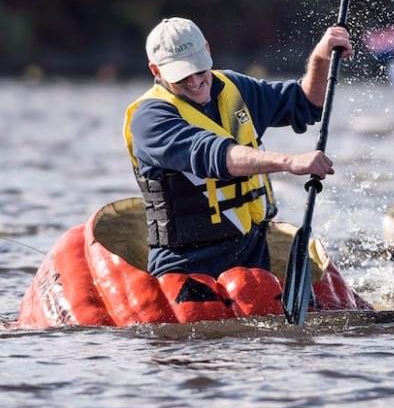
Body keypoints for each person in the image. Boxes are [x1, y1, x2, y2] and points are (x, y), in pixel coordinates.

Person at [124, 17, 351, 277]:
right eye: (182, 75)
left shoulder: (235, 88)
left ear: (207, 51)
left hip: (251, 254)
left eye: (199, 69)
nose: (195, 81)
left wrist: (321, 59)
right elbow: (215, 156)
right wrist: (289, 162)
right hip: (187, 264)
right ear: (156, 71)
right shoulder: (149, 118)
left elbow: (306, 103)